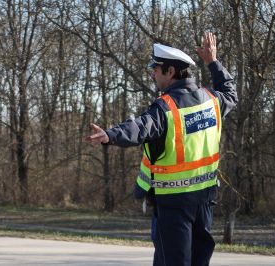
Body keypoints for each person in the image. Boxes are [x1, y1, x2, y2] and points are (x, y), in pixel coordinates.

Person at [87, 32, 237, 266]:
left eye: (156, 68)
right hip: (205, 201)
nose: (152, 72)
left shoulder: (166, 108)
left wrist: (110, 135)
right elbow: (230, 92)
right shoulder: (211, 99)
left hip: (175, 205)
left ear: (170, 72)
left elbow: (140, 127)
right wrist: (212, 62)